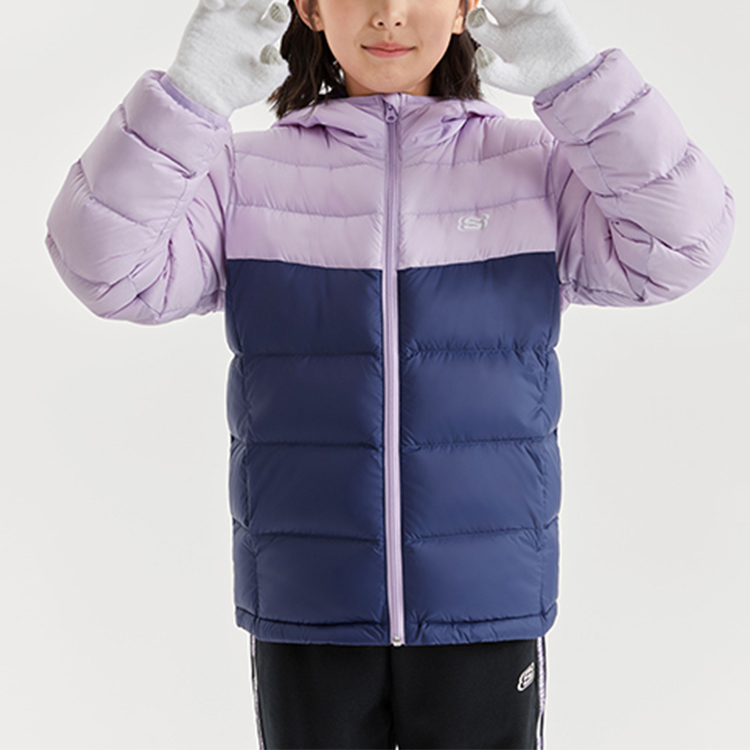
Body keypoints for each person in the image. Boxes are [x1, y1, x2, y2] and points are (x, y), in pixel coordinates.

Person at [45, 0, 734, 747]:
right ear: (310, 9)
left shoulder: (533, 165)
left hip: (485, 602)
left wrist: (578, 83)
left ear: (465, 6)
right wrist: (190, 98)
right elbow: (103, 268)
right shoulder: (245, 175)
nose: (389, 14)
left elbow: (684, 242)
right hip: (310, 605)